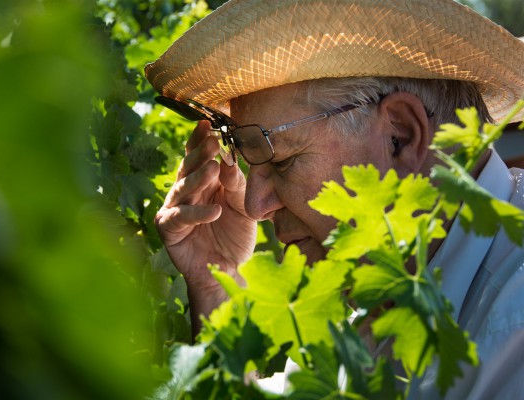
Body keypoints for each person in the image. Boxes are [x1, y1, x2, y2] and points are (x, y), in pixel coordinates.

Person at [145, 0, 524, 398]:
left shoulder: (513, 325)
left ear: (401, 135)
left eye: (283, 160)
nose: (255, 207)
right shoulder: (368, 302)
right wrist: (215, 285)